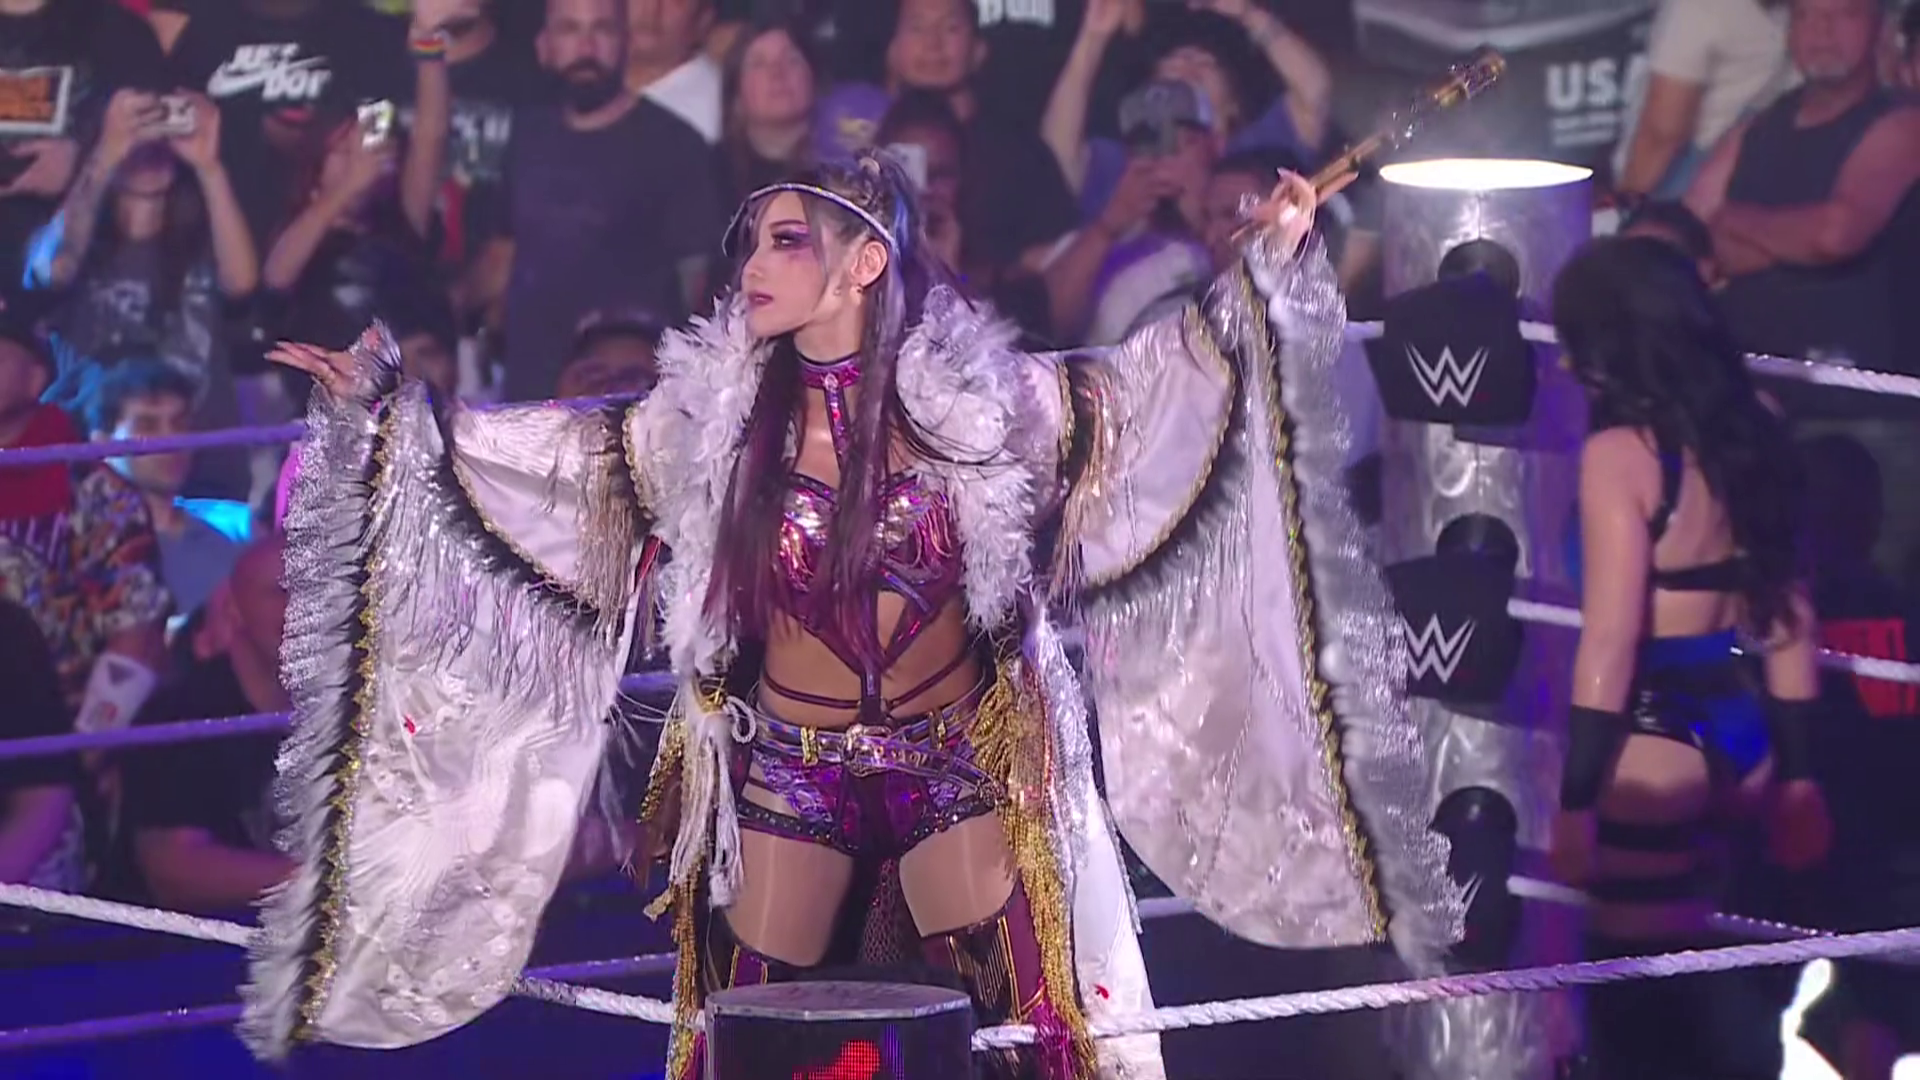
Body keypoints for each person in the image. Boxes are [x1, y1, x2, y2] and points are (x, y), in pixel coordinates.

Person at [243, 155, 1463, 1079]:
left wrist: (1267, 265)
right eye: (750, 245)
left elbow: (1163, 386)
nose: (752, 267)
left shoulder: (990, 407)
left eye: (786, 241)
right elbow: (540, 467)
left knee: (1027, 1038)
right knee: (751, 1038)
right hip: (791, 770)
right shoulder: (705, 422)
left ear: (865, 261)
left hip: (960, 765)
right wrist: (397, 414)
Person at [1548, 234, 1828, 1080]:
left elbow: (1610, 639)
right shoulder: (1760, 426)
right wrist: (1799, 775)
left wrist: (1575, 802)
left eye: (1577, 341)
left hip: (1652, 739)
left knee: (1641, 1004)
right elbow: (1789, 615)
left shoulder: (1621, 457)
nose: (1566, 362)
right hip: (1742, 728)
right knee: (1716, 980)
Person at [121, 532, 294, 913]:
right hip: (187, 944)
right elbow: (175, 869)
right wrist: (318, 883)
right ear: (234, 611)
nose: (306, 607)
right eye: (282, 590)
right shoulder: (180, 714)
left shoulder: (354, 707)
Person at [80, 356, 245, 617]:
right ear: (102, 444)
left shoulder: (230, 540)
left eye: (179, 423)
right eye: (147, 426)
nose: (170, 439)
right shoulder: (82, 549)